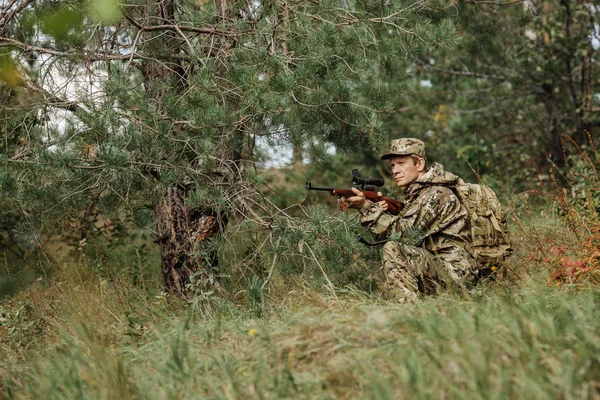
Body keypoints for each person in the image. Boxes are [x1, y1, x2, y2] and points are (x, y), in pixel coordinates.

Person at [342, 138, 478, 303]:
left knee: (393, 249)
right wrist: (378, 210)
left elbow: (404, 235)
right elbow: (398, 235)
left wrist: (366, 207)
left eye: (401, 163)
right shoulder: (419, 194)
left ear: (419, 164)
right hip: (443, 268)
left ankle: (409, 312)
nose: (395, 170)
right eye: (392, 165)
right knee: (394, 247)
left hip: (457, 274)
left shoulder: (437, 193)